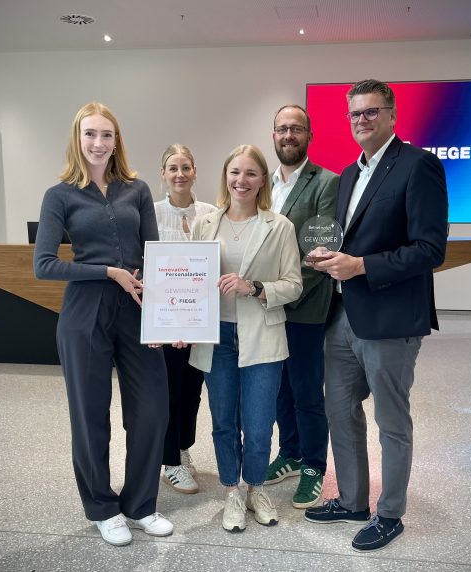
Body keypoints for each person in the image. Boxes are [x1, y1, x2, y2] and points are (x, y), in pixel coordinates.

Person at [304, 80, 448, 552]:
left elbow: (430, 249)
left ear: (391, 115)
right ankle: (351, 500)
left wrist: (362, 266)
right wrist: (331, 256)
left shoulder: (418, 165)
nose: (361, 121)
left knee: (391, 420)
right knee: (339, 410)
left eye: (370, 112)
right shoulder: (348, 174)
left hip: (390, 319)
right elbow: (355, 239)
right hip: (343, 312)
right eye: (354, 115)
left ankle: (390, 513)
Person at [34, 102, 173, 547]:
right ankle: (101, 507)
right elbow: (44, 265)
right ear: (78, 138)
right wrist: (106, 271)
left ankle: (140, 504)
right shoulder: (60, 195)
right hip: (84, 313)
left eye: (107, 135)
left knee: (152, 408)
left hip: (136, 309)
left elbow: (156, 255)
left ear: (118, 140)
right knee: (90, 415)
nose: (98, 143)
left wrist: (170, 311)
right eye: (90, 134)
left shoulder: (137, 189)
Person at [188, 144, 302, 532]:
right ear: (225, 177)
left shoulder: (279, 226)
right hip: (215, 336)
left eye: (251, 173)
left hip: (261, 337)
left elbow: (293, 286)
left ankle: (255, 488)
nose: (242, 180)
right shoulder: (205, 224)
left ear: (262, 180)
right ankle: (231, 491)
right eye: (235, 172)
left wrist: (253, 287)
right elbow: (188, 281)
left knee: (257, 423)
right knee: (223, 421)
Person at [264, 104, 338, 509]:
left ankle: (313, 467)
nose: (288, 135)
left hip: (304, 305)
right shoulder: (263, 184)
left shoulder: (327, 182)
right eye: (281, 129)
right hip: (264, 308)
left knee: (307, 391)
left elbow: (321, 256)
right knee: (278, 389)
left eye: (296, 129)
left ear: (309, 135)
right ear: (272, 135)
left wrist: (279, 291)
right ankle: (289, 453)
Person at [154, 144, 217, 494]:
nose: (180, 174)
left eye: (186, 167)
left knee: (192, 391)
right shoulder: (150, 213)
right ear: (163, 173)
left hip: (199, 321)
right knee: (167, 392)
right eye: (172, 168)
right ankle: (170, 462)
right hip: (164, 323)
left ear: (195, 172)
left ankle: (182, 450)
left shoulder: (211, 213)